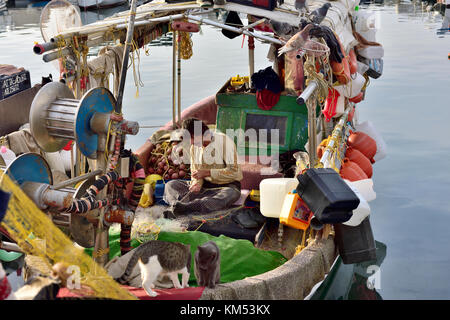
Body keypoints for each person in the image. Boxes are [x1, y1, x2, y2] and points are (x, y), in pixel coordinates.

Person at [163, 118, 242, 216]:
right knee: (171, 185)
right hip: (205, 188)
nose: (191, 143)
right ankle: (176, 205)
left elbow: (235, 171)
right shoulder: (194, 147)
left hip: (227, 186)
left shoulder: (224, 141)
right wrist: (197, 183)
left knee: (231, 194)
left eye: (191, 138)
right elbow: (195, 172)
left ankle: (186, 207)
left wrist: (208, 172)